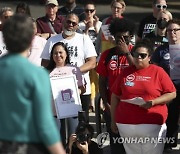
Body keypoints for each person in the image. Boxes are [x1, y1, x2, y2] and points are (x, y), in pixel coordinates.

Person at [0, 14, 65, 154]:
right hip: (27, 145)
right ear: (31, 39)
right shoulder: (37, 75)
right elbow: (45, 124)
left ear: (4, 38)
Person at [110, 39, 176, 154]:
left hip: (152, 123)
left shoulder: (158, 71)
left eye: (143, 55)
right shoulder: (126, 72)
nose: (138, 58)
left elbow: (172, 93)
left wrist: (153, 102)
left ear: (149, 57)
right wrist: (113, 120)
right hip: (126, 124)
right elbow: (115, 96)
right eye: (136, 55)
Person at [41, 12, 97, 127]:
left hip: (81, 89)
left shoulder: (84, 39)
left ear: (77, 26)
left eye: (74, 23)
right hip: (57, 91)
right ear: (63, 22)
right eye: (68, 21)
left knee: (80, 126)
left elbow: (92, 62)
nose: (70, 25)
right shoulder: (52, 40)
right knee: (59, 126)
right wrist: (60, 73)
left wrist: (73, 73)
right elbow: (45, 62)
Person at [96, 18, 136, 154]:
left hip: (133, 106)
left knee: (132, 144)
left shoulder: (138, 53)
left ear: (131, 37)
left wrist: (127, 53)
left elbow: (139, 71)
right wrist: (105, 103)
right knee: (116, 143)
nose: (122, 41)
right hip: (112, 106)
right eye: (119, 37)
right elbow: (101, 81)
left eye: (125, 37)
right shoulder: (107, 55)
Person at [46, 42, 85, 146]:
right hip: (54, 112)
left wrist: (76, 93)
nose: (58, 55)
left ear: (66, 54)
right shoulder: (47, 72)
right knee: (58, 141)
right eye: (55, 53)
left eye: (60, 52)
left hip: (71, 110)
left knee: (74, 139)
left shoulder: (74, 70)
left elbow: (82, 88)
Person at [151, 18, 180, 151]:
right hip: (168, 90)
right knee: (171, 118)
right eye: (169, 30)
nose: (172, 33)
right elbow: (154, 71)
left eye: (175, 30)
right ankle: (169, 144)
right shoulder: (160, 50)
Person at [78, 0, 102, 112]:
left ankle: (99, 102)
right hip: (86, 56)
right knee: (88, 78)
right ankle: (91, 103)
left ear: (95, 11)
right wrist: (86, 29)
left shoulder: (100, 24)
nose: (89, 13)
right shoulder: (80, 25)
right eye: (87, 10)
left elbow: (101, 39)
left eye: (91, 10)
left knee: (97, 79)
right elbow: (81, 40)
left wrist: (96, 27)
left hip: (97, 55)